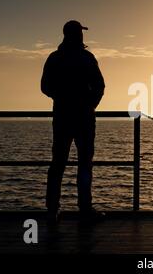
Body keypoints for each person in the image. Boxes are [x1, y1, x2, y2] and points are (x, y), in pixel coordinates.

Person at [41, 20, 105, 224]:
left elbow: (45, 86)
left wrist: (60, 97)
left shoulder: (55, 58)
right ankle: (84, 209)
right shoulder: (87, 58)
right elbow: (100, 85)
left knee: (58, 163)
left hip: (62, 116)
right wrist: (90, 104)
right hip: (84, 118)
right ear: (77, 35)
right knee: (84, 164)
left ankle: (52, 209)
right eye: (80, 32)